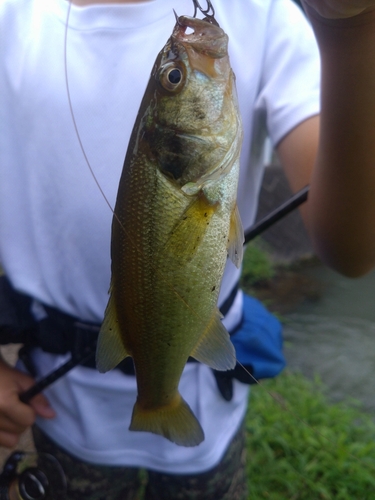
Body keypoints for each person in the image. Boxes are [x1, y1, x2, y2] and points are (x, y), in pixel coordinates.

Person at [1, 0, 375, 498]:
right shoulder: (12, 20)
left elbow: (352, 251)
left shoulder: (262, 12)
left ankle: (160, 399)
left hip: (208, 423)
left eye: (172, 79)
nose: (184, 58)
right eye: (174, 79)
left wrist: (350, 26)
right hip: (61, 413)